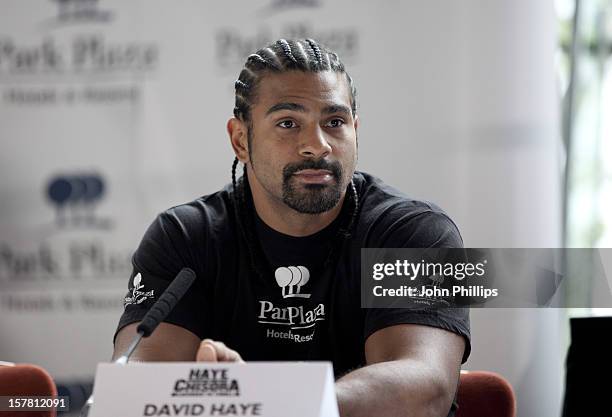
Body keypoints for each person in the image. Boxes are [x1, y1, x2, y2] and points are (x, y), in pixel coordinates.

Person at [113, 38, 470, 417]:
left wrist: (253, 401)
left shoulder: (414, 233)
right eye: (288, 123)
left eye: (334, 122)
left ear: (355, 130)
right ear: (240, 140)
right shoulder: (184, 237)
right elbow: (136, 385)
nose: (316, 146)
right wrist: (218, 395)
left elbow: (426, 389)